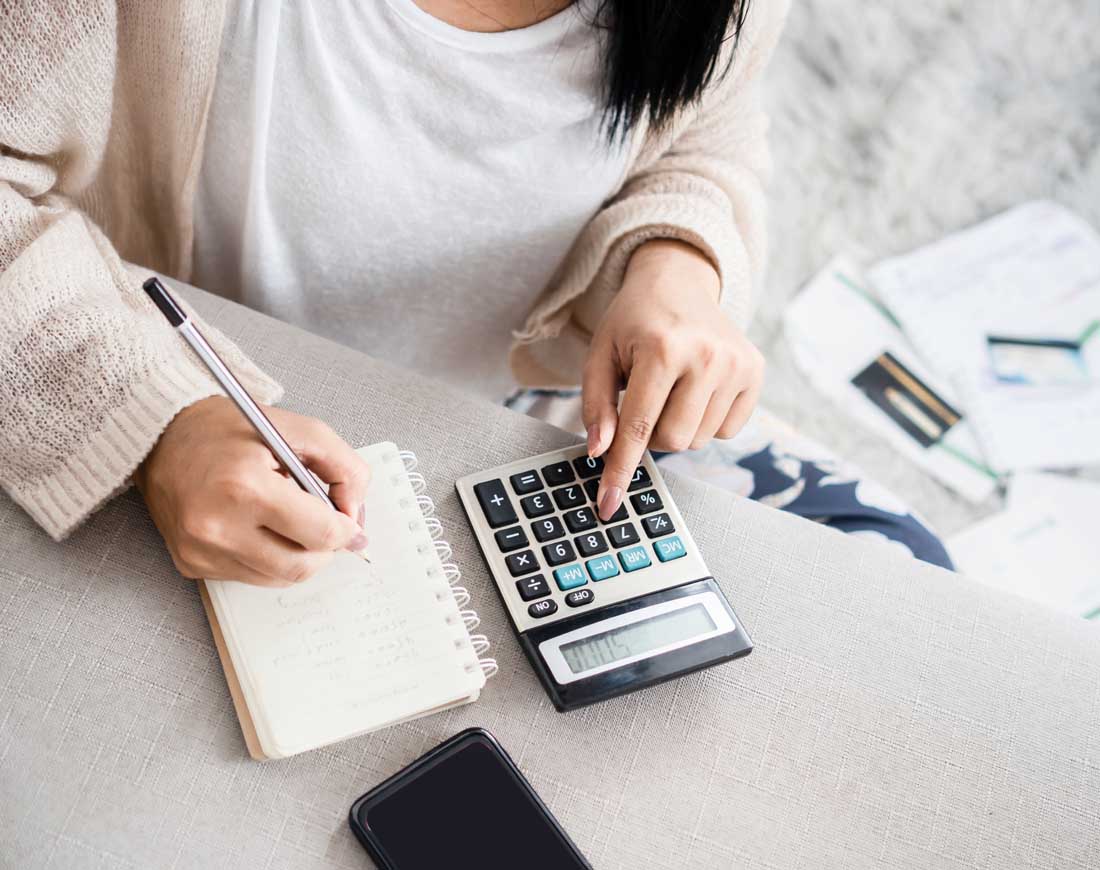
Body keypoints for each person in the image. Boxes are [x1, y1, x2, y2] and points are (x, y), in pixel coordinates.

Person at [0, 0, 949, 588]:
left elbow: (708, 131)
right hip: (168, 384)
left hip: (518, 401)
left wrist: (677, 266)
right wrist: (158, 424)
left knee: (898, 570)